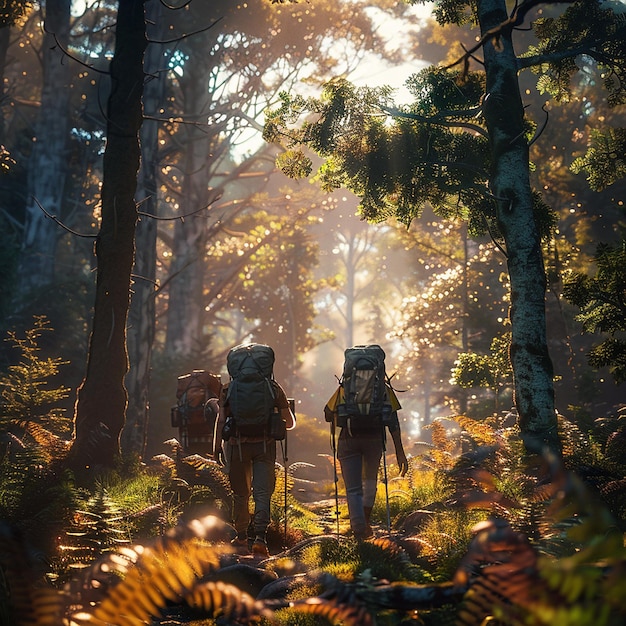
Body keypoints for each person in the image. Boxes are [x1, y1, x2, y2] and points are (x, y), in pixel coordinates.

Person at [213, 369, 295, 557]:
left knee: (240, 493)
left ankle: (241, 537)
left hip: (236, 447)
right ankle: (260, 538)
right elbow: (289, 423)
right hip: (265, 447)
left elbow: (221, 420)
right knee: (262, 492)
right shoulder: (273, 388)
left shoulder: (228, 389)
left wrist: (217, 447)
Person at [324, 380, 408, 539]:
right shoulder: (384, 390)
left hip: (348, 440)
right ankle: (365, 522)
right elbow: (392, 421)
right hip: (373, 441)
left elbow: (328, 413)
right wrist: (399, 451)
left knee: (353, 489)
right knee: (370, 484)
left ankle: (358, 529)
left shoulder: (346, 387)